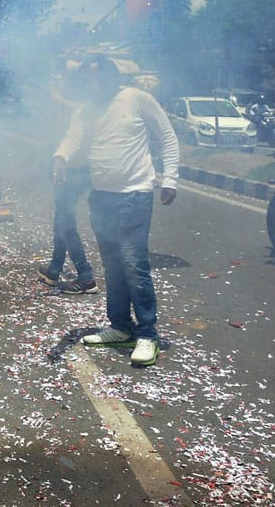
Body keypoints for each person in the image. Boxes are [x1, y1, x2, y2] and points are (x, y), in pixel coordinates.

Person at [56, 56, 179, 367]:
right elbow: (74, 138)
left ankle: (148, 334)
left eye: (97, 79)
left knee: (133, 264)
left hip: (134, 196)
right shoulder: (86, 109)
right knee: (112, 265)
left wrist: (171, 178)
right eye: (88, 81)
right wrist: (60, 157)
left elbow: (167, 137)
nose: (92, 86)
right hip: (101, 198)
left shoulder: (137, 99)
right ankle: (120, 327)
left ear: (111, 78)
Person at [37, 77, 96, 295]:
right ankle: (54, 270)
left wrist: (58, 98)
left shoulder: (82, 109)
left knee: (66, 224)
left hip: (75, 173)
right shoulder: (63, 111)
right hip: (66, 173)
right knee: (61, 221)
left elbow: (80, 109)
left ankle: (86, 276)